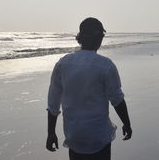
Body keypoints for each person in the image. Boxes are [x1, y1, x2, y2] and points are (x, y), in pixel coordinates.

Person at [46, 17, 132, 160]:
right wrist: (127, 124)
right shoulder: (106, 65)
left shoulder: (63, 64)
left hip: (74, 136)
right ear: (99, 38)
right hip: (99, 136)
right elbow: (117, 100)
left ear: (81, 38)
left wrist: (51, 133)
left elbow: (53, 104)